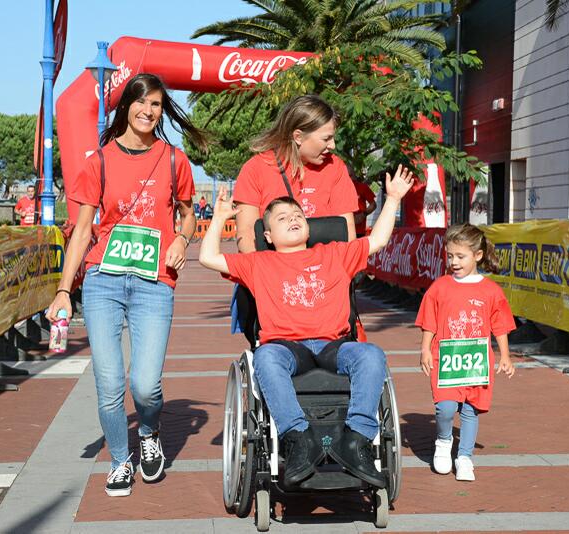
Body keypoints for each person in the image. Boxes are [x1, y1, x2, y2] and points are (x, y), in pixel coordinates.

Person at [200, 164, 414, 489]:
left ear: (309, 227)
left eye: (297, 215)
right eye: (282, 218)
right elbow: (208, 258)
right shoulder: (259, 263)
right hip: (288, 348)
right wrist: (218, 219)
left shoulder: (334, 254)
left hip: (333, 346)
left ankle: (355, 441)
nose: (293, 219)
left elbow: (379, 240)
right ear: (268, 236)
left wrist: (394, 198)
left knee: (371, 355)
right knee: (265, 357)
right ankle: (298, 439)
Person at [46, 73, 207, 498]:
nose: (148, 111)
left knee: (145, 384)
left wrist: (181, 239)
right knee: (109, 380)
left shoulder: (175, 160)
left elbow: (188, 214)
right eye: (141, 103)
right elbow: (82, 232)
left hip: (155, 283)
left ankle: (149, 431)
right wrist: (64, 291)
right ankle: (120, 459)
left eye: (156, 104)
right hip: (104, 280)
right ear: (126, 106)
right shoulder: (98, 161)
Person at [231, 95, 360, 345]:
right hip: (275, 291)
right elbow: (246, 236)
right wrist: (270, 282)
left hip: (324, 291)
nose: (332, 145)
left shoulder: (335, 169)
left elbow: (348, 238)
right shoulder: (256, 169)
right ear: (298, 136)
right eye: (326, 139)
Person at [416, 223, 516, 482]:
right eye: (450, 256)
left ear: (477, 256)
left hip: (476, 360)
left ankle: (464, 457)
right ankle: (443, 440)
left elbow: (500, 325)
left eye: (460, 256)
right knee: (446, 408)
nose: (454, 262)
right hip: (446, 358)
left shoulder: (491, 291)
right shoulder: (440, 287)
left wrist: (505, 355)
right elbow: (430, 320)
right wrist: (425, 348)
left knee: (471, 410)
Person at [346, 165, 377, 237]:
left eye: (350, 175)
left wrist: (363, 214)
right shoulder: (339, 188)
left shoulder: (362, 187)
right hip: (344, 229)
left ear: (354, 175)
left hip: (359, 230)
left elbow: (373, 205)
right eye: (346, 176)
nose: (349, 179)